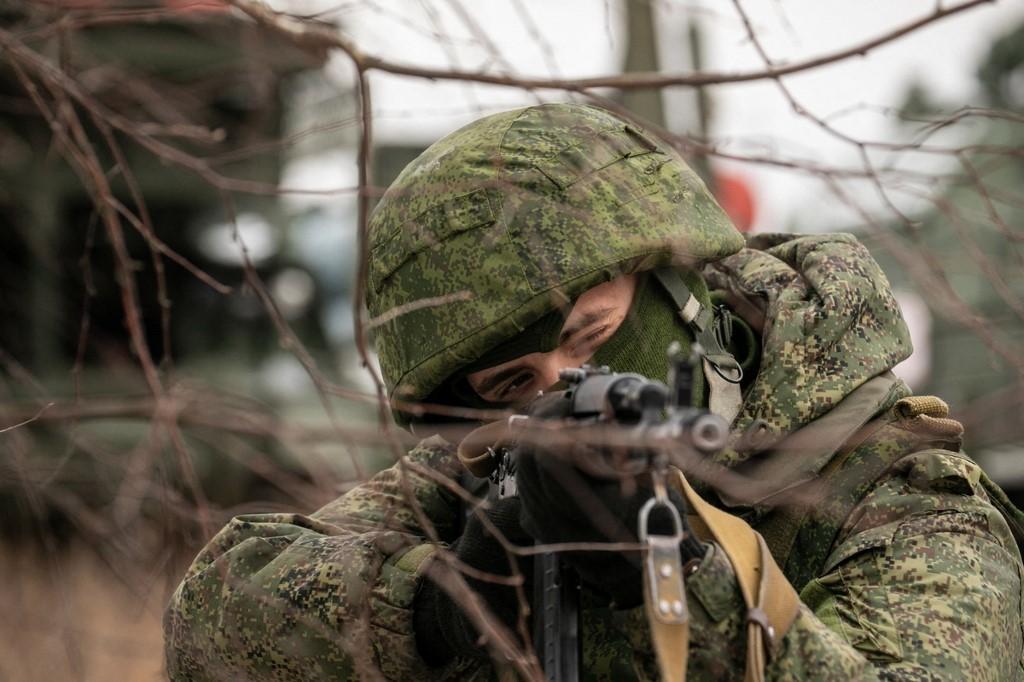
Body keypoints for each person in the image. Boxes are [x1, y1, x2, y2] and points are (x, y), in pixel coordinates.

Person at [164, 103, 1024, 680]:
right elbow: (210, 624)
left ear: (687, 295)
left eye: (590, 335)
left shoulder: (900, 496)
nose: (562, 392)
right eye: (514, 384)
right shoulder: (490, 475)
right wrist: (448, 603)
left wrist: (674, 579)